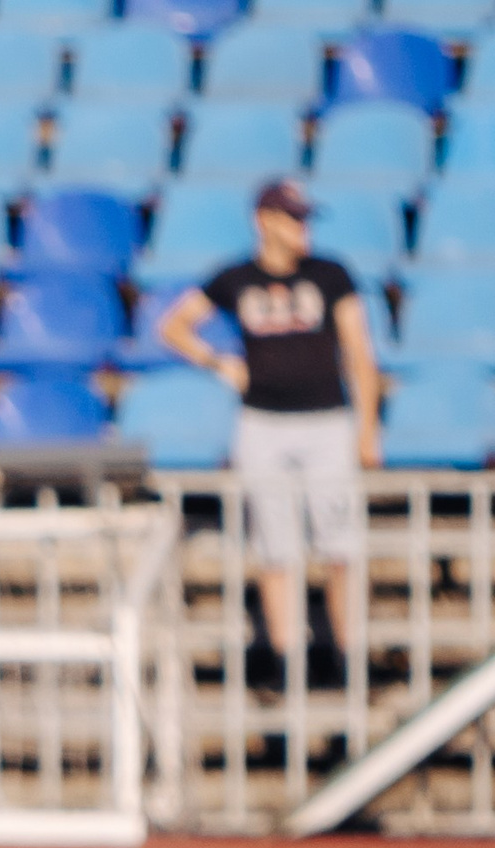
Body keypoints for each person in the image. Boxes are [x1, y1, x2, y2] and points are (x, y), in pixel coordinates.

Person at [156, 178, 382, 691]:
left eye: (305, 218)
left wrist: (367, 430)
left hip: (327, 420)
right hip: (262, 422)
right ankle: (287, 662)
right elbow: (172, 326)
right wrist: (218, 362)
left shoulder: (331, 275)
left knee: (340, 544)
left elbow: (359, 351)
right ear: (265, 220)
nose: (302, 228)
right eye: (292, 217)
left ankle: (350, 659)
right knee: (274, 547)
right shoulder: (236, 277)